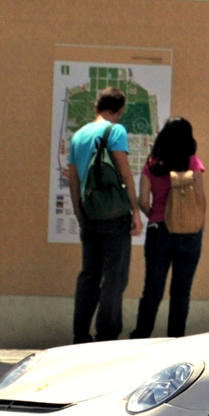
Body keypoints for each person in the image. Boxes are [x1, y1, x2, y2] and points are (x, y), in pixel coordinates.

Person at [66, 87, 144, 344]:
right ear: (118, 111)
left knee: (89, 274)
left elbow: (75, 181)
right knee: (114, 276)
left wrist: (80, 214)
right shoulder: (115, 131)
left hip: (88, 215)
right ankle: (106, 335)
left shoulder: (77, 136)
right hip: (114, 215)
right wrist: (134, 210)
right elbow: (124, 174)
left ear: (96, 107)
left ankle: (80, 333)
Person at [131, 118, 206, 340]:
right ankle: (176, 339)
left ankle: (141, 337)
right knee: (181, 292)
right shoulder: (192, 163)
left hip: (158, 231)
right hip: (189, 233)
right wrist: (197, 224)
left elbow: (143, 200)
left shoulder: (152, 164)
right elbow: (201, 200)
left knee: (152, 291)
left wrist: (154, 214)